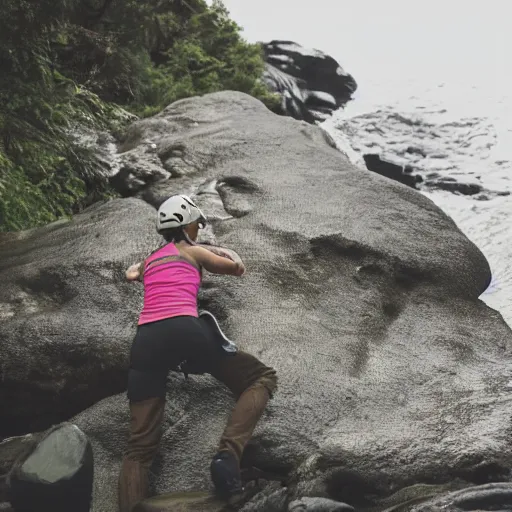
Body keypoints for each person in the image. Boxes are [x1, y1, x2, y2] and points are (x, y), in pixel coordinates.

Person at [118, 194, 277, 512]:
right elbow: (236, 269)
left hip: (146, 341)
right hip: (185, 330)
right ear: (188, 225)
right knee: (261, 378)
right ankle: (227, 457)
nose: (198, 229)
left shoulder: (150, 261)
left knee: (139, 448)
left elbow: (130, 273)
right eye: (197, 224)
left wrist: (144, 265)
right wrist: (224, 251)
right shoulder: (193, 251)